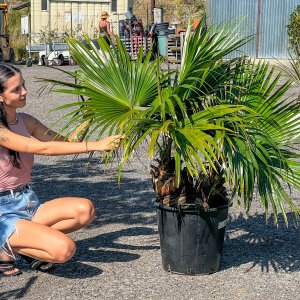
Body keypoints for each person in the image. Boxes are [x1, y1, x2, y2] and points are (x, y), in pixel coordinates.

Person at [0, 63, 122, 276]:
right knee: (64, 250)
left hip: (27, 201)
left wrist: (90, 115)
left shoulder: (25, 121)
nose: (25, 92)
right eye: (16, 89)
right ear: (1, 96)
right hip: (2, 212)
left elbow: (63, 142)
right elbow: (43, 148)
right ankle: (8, 248)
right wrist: (97, 145)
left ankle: (27, 246)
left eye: (23, 85)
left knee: (85, 210)